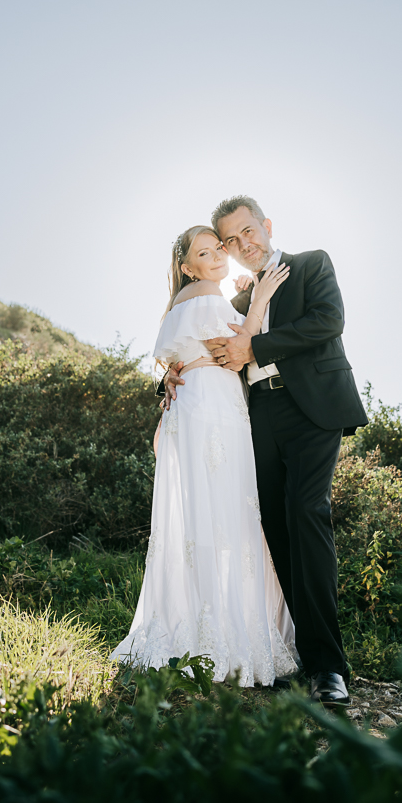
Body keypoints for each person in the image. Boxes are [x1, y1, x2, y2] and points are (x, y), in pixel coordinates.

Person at [163, 196, 368, 707]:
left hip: (313, 409)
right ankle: (291, 653)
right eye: (230, 240)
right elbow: (200, 345)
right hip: (257, 419)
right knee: (272, 529)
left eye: (248, 231)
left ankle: (328, 667)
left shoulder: (311, 264)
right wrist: (169, 376)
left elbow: (328, 321)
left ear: (267, 226)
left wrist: (256, 347)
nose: (242, 244)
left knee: (306, 512)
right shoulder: (234, 301)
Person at [109, 225, 299, 687]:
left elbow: (195, 353)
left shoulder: (201, 298)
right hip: (209, 409)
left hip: (212, 404)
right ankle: (219, 631)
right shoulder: (202, 294)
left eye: (218, 248)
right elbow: (237, 346)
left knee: (214, 514)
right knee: (223, 514)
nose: (216, 256)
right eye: (203, 252)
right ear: (187, 267)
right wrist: (258, 296)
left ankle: (211, 623)